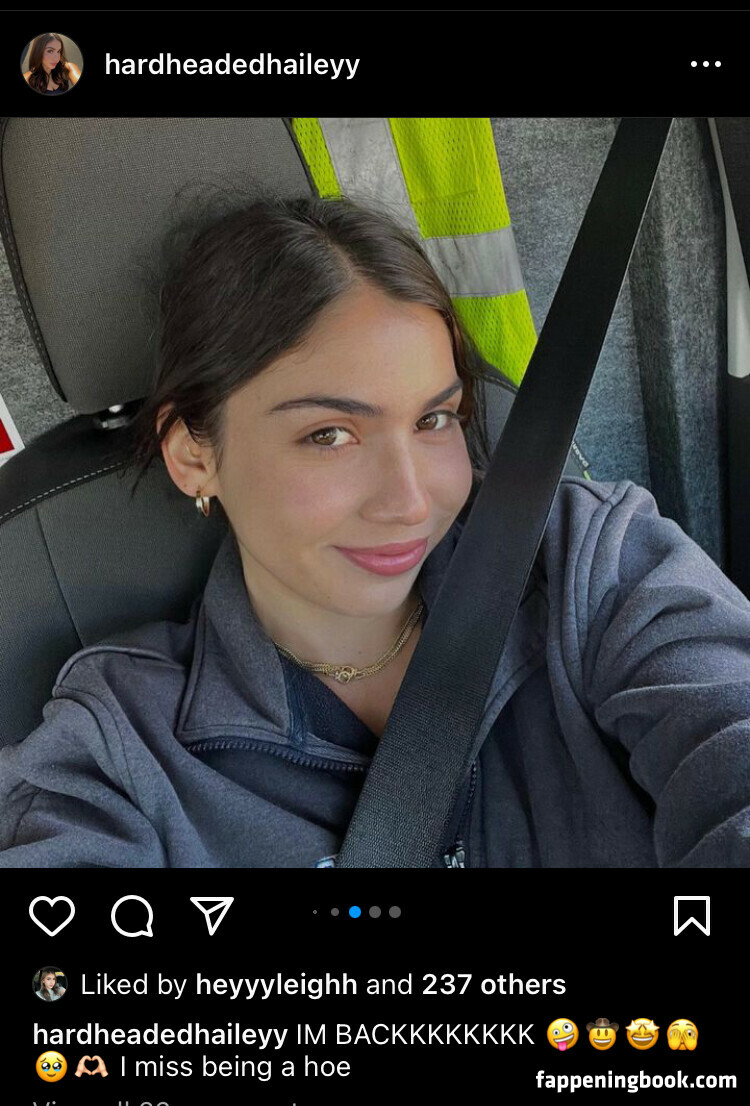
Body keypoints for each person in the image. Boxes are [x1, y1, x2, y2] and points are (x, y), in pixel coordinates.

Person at [1, 194, 750, 868]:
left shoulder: (590, 564)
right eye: (329, 434)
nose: (411, 502)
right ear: (194, 456)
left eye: (435, 420)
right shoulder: (117, 749)